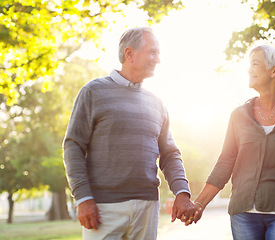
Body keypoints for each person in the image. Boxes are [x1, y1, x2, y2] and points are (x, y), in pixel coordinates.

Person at [63, 27, 197, 239]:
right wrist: (83, 198)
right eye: (152, 52)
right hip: (102, 208)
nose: (158, 59)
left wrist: (182, 192)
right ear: (129, 54)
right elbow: (73, 146)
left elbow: (170, 153)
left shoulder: (157, 103)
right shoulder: (93, 92)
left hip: (147, 206)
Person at [189, 45, 275, 240]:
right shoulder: (239, 115)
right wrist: (199, 204)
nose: (249, 69)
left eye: (255, 64)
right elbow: (225, 163)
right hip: (243, 214)